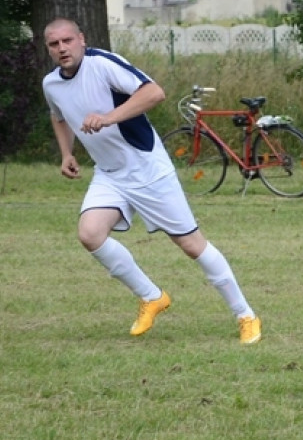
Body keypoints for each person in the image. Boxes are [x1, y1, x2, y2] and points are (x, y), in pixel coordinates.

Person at [41, 18, 262, 344]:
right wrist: (66, 154)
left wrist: (108, 118)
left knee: (192, 245)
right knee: (89, 234)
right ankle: (152, 296)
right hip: (109, 174)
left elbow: (154, 93)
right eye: (54, 44)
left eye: (67, 41)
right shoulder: (51, 84)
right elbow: (58, 115)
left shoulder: (102, 64)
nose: (62, 48)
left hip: (147, 169)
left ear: (81, 39)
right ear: (48, 49)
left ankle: (246, 315)